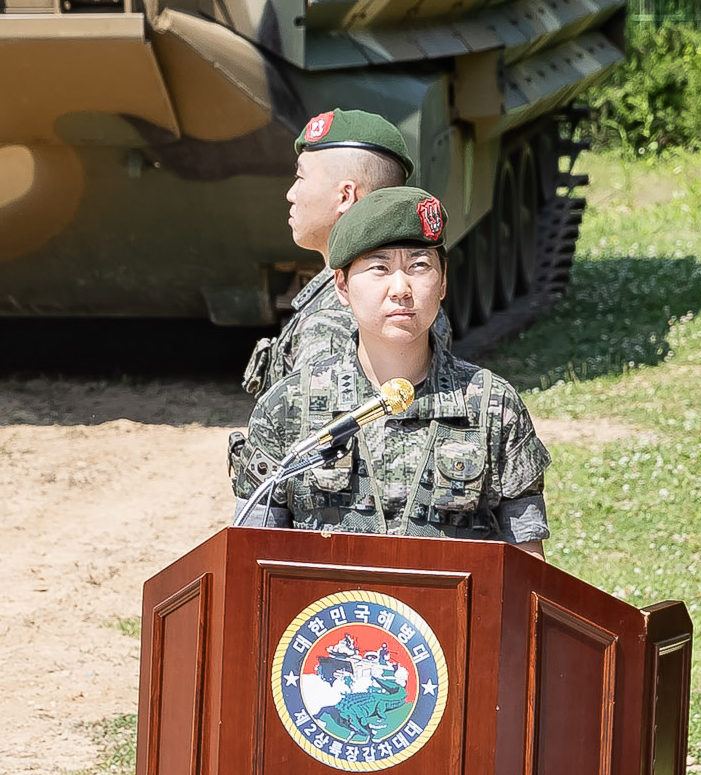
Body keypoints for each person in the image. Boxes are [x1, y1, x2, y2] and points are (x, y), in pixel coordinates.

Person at [230, 185, 551, 551]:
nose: (401, 288)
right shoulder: (288, 408)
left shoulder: (493, 406)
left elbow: (528, 569)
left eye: (419, 266)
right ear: (342, 286)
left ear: (443, 280)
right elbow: (250, 558)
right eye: (379, 268)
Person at [241, 107, 424, 398]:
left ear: (345, 196)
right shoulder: (416, 300)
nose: (291, 194)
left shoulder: (334, 318)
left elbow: (320, 436)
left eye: (300, 178)